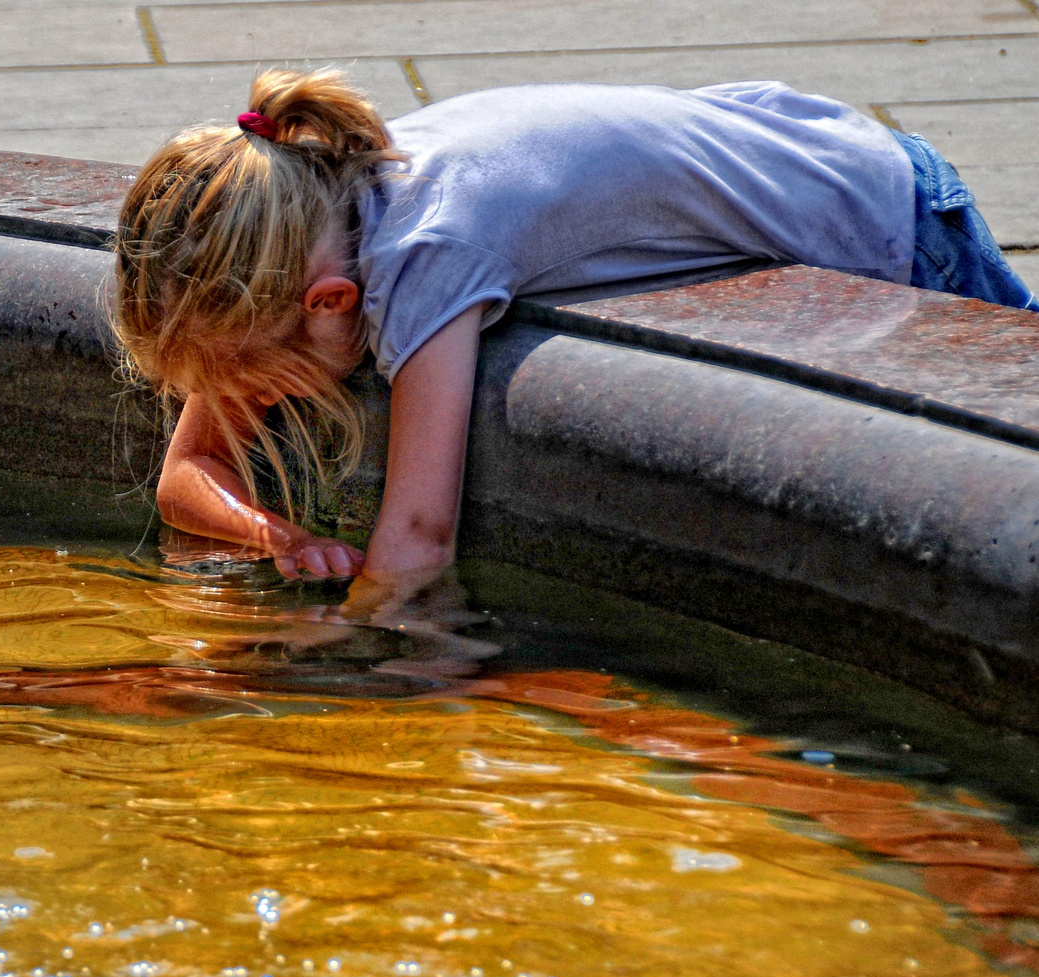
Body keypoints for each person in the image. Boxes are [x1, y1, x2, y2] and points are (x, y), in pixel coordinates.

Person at [111, 69, 1038, 599]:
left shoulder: (430, 250)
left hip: (888, 217)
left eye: (256, 380)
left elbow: (419, 546)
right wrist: (275, 537)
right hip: (780, 133)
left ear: (328, 303)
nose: (253, 404)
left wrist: (374, 682)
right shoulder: (292, 226)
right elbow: (185, 480)